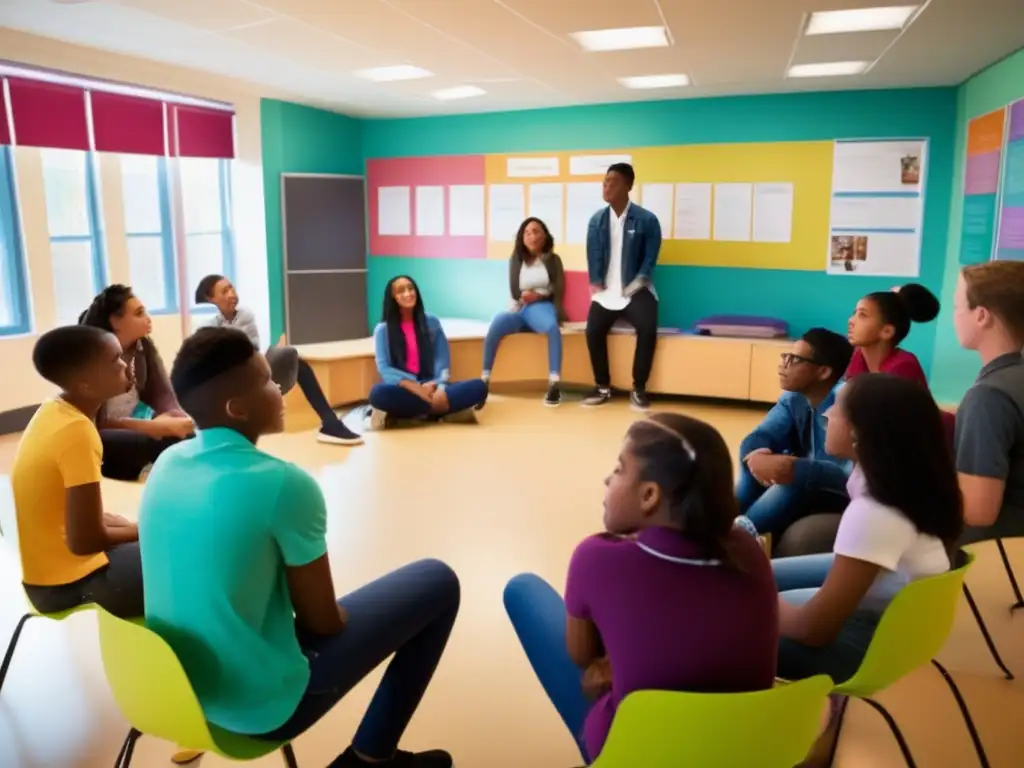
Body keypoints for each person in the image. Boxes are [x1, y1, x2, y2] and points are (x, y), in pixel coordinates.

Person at [139, 327, 460, 768]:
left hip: (174, 692)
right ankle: (371, 757)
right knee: (438, 582)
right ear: (237, 408)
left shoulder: (167, 462)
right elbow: (324, 623)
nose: (280, 388)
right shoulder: (283, 484)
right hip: (257, 707)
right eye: (269, 381)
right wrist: (345, 617)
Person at [503, 414, 778, 764]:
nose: (608, 478)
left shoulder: (596, 558)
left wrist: (612, 663)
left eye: (619, 469)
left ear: (649, 495)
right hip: (739, 752)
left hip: (638, 752)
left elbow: (582, 655)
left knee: (522, 590)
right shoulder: (749, 551)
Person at [772, 374, 960, 684]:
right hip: (897, 622)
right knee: (761, 579)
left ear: (860, 432)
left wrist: (758, 602)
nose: (827, 413)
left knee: (729, 626)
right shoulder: (903, 482)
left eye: (837, 408)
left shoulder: (875, 513)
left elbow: (814, 630)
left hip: (873, 641)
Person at [12, 326, 143, 617]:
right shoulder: (76, 432)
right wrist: (142, 531)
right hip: (68, 585)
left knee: (141, 533)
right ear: (85, 385)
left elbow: (76, 518)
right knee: (186, 558)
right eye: (115, 361)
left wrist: (132, 530)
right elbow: (84, 540)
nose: (124, 365)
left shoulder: (54, 411)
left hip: (49, 577)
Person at [194, 274, 363, 446]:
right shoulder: (206, 327)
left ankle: (330, 424)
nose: (231, 294)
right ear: (211, 299)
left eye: (231, 288)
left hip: (253, 376)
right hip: (228, 389)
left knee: (296, 362)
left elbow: (250, 352)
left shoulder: (245, 316)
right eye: (224, 291)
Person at [737, 329, 854, 540]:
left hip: (842, 492)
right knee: (753, 459)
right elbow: (761, 434)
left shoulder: (847, 402)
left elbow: (851, 477)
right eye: (785, 356)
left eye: (795, 359)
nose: (783, 364)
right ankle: (726, 524)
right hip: (806, 479)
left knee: (791, 482)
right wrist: (757, 455)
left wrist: (798, 469)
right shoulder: (793, 397)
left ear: (824, 372)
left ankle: (737, 538)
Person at [79, 285, 194, 481]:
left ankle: (154, 467)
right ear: (115, 321)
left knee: (186, 432)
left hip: (138, 420)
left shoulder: (144, 347)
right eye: (139, 313)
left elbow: (163, 394)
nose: (148, 318)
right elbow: (94, 423)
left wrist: (172, 418)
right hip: (100, 433)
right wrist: (151, 427)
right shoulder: (91, 357)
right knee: (146, 441)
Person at [952, 261, 1024, 545]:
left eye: (958, 307)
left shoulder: (989, 397)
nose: (955, 317)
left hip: (1001, 560)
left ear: (981, 315)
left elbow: (978, 511)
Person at [581, 163, 663, 411]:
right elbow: (592, 254)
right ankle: (602, 387)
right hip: (607, 293)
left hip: (636, 289)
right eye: (605, 181)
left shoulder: (647, 219)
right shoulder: (597, 220)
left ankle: (638, 388)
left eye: (612, 181)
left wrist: (638, 281)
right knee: (593, 331)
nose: (606, 185)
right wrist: (595, 283)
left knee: (648, 330)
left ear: (628, 186)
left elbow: (650, 257)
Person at [368, 275, 488, 429]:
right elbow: (384, 369)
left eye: (411, 288)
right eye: (401, 291)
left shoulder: (432, 322)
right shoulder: (382, 330)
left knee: (479, 386)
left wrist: (438, 384)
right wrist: (414, 387)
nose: (408, 293)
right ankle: (441, 410)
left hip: (433, 387)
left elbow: (442, 360)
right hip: (405, 389)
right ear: (392, 298)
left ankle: (416, 413)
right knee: (378, 393)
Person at [481, 217, 566, 407]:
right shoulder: (516, 259)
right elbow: (514, 290)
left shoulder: (552, 259)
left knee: (552, 327)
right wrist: (523, 297)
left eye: (536, 231)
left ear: (545, 236)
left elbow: (558, 288)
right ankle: (484, 379)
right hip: (518, 309)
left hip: (540, 307)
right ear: (522, 238)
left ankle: (554, 383)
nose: (532, 236)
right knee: (496, 323)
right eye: (527, 232)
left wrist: (538, 297)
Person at [845, 283, 940, 386]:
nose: (851, 321)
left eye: (863, 315)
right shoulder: (858, 356)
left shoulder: (902, 368)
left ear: (887, 331)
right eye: (854, 313)